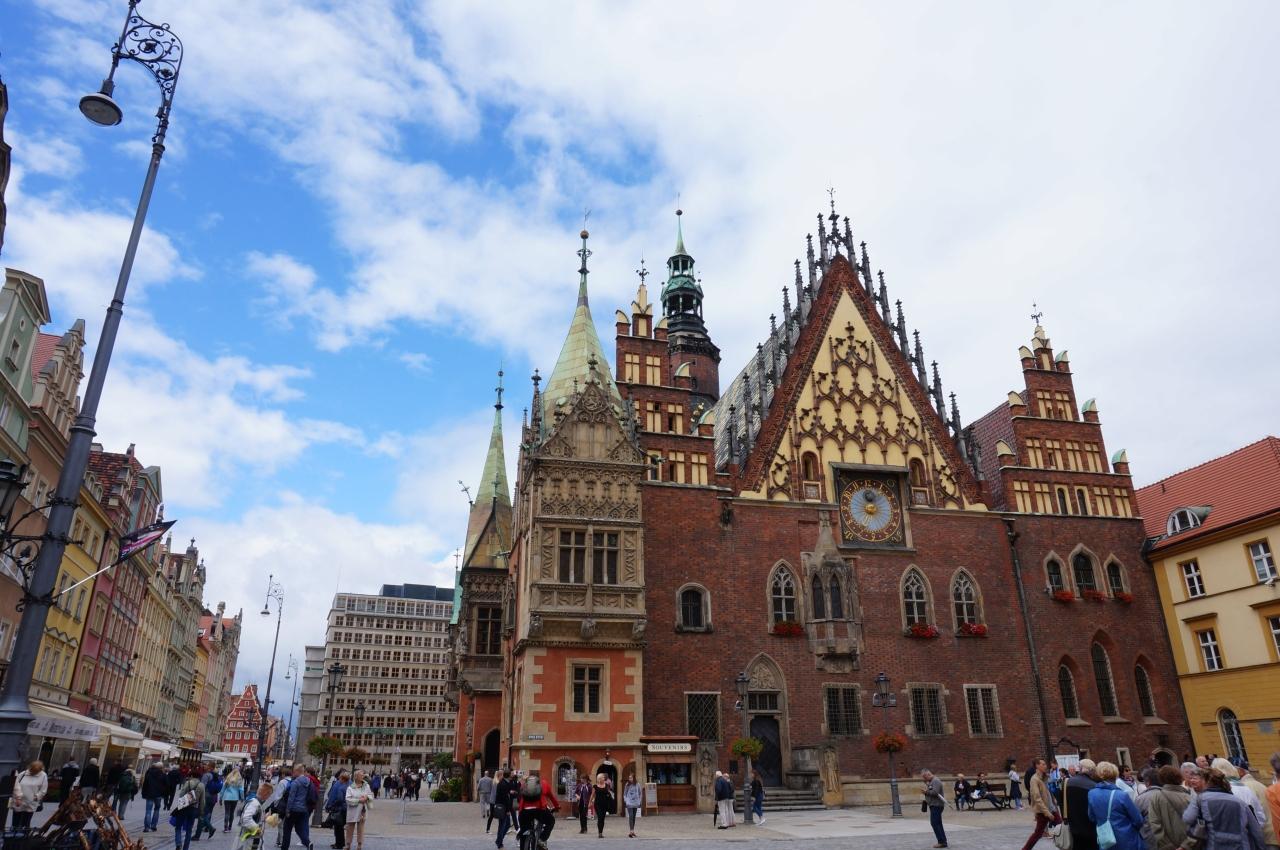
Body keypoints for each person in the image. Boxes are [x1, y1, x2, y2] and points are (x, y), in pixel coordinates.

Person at [1184, 768, 1266, 850]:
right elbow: (1256, 831)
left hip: (1214, 845)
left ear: (1205, 782)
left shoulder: (1200, 799)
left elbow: (1187, 818)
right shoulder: (1240, 802)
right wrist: (1261, 847)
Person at [1087, 761, 1145, 850]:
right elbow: (1138, 820)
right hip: (1127, 839)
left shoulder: (1092, 794)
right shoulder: (1121, 795)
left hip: (1106, 840)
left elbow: (1091, 817)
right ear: (1115, 775)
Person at [1142, 765, 1191, 850]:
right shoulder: (1189, 797)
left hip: (1167, 846)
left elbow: (1155, 824)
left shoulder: (1156, 797)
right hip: (1189, 845)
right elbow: (1197, 825)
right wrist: (1186, 845)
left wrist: (1168, 846)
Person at [1020, 758, 1061, 850]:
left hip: (1051, 808)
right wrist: (1047, 812)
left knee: (1061, 828)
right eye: (1043, 764)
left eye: (1045, 764)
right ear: (1037, 766)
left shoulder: (1044, 777)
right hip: (1043, 811)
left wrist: (1053, 802)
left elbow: (1047, 792)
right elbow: (1037, 798)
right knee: (1038, 833)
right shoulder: (1034, 779)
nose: (1045, 766)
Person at [516, 770, 558, 850]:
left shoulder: (524, 784)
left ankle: (522, 839)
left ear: (529, 776)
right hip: (539, 810)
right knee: (551, 821)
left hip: (524, 811)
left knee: (523, 832)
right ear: (539, 776)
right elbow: (551, 797)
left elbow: (520, 797)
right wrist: (557, 806)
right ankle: (541, 839)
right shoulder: (544, 783)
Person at [281, 764, 318, 850]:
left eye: (294, 771)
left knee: (287, 830)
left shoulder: (296, 782)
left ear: (298, 771)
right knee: (299, 829)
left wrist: (288, 810)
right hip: (304, 809)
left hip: (294, 809)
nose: (293, 773)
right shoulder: (309, 781)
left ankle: (284, 848)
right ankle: (308, 842)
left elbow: (291, 797)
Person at [1067, 759, 1101, 850]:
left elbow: (1063, 803)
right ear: (1092, 771)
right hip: (1090, 827)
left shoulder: (1068, 782)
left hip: (1073, 825)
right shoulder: (1093, 785)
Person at [10, 761, 48, 831]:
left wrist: (37, 797)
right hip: (19, 800)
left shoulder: (43, 775)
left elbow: (43, 789)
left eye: (36, 771)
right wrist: (18, 797)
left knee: (26, 821)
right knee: (16, 820)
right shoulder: (23, 774)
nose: (33, 773)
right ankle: (13, 832)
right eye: (32, 771)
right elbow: (16, 785)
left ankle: (24, 833)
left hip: (31, 801)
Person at [173, 773, 206, 850]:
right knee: (189, 829)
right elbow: (202, 801)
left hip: (183, 808)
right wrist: (201, 812)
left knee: (178, 827)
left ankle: (178, 844)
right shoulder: (201, 785)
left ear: (191, 776)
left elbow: (181, 795)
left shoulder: (188, 783)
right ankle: (186, 848)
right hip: (193, 809)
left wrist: (185, 800)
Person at [238, 784, 274, 850]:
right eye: (269, 795)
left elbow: (254, 817)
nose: (269, 797)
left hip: (253, 837)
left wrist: (264, 817)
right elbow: (246, 818)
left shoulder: (257, 802)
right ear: (265, 794)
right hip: (251, 838)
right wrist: (257, 829)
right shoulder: (254, 803)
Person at [344, 770, 372, 850]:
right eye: (361, 775)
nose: (363, 777)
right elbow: (348, 799)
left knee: (361, 829)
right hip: (352, 810)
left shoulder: (366, 786)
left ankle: (359, 844)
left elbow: (370, 795)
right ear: (356, 777)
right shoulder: (350, 787)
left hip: (362, 811)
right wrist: (359, 800)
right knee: (349, 828)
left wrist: (367, 797)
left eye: (363, 775)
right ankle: (348, 844)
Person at [195, 764, 223, 840]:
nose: (205, 766)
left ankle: (203, 832)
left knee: (201, 814)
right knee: (208, 813)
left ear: (210, 767)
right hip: (214, 797)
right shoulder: (217, 776)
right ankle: (207, 828)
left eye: (207, 765)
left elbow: (202, 786)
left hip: (206, 796)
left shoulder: (207, 775)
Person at [325, 769, 350, 850]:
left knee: (338, 827)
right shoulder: (350, 784)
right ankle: (341, 843)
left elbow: (336, 798)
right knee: (340, 826)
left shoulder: (339, 786)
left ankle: (339, 844)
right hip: (347, 808)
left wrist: (330, 806)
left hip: (339, 809)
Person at [922, 769, 947, 848]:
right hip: (934, 805)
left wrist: (925, 792)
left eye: (925, 777)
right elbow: (932, 789)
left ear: (928, 775)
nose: (924, 779)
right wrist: (927, 784)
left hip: (937, 805)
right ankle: (943, 841)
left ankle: (941, 842)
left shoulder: (936, 781)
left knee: (935, 823)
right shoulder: (932, 781)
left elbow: (935, 792)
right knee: (938, 823)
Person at [143, 757, 169, 832]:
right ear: (161, 768)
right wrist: (164, 793)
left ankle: (146, 827)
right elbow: (167, 785)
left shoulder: (149, 774)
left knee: (148, 810)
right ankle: (153, 826)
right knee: (156, 810)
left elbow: (145, 784)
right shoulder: (163, 775)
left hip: (149, 794)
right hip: (158, 795)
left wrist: (144, 793)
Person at [493, 769, 517, 849]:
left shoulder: (505, 782)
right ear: (509, 775)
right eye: (511, 773)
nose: (513, 775)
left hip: (504, 808)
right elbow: (504, 798)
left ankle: (499, 840)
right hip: (503, 808)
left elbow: (505, 794)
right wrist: (507, 810)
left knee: (507, 825)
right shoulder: (503, 784)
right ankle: (499, 844)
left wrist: (510, 792)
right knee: (502, 826)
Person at [590, 772, 614, 838]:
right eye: (603, 777)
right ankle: (600, 833)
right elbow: (592, 795)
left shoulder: (606, 785)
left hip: (604, 804)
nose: (604, 778)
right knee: (600, 817)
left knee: (602, 818)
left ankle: (601, 832)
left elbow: (609, 793)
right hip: (597, 804)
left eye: (604, 777)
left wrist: (609, 795)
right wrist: (590, 802)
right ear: (600, 779)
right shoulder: (595, 786)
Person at [223, 768, 246, 833]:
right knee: (232, 812)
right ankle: (230, 827)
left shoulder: (228, 778)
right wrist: (242, 798)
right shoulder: (239, 779)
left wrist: (221, 797)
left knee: (227, 812)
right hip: (235, 798)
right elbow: (241, 790)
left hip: (227, 798)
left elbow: (223, 788)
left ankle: (225, 828)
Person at [623, 773, 642, 838]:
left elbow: (640, 793)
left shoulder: (637, 784)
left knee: (633, 817)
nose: (630, 779)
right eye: (629, 778)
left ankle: (632, 831)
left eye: (631, 778)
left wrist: (639, 801)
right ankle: (631, 831)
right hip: (629, 802)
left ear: (634, 778)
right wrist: (626, 800)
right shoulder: (627, 784)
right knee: (631, 816)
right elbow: (625, 793)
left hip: (636, 802)